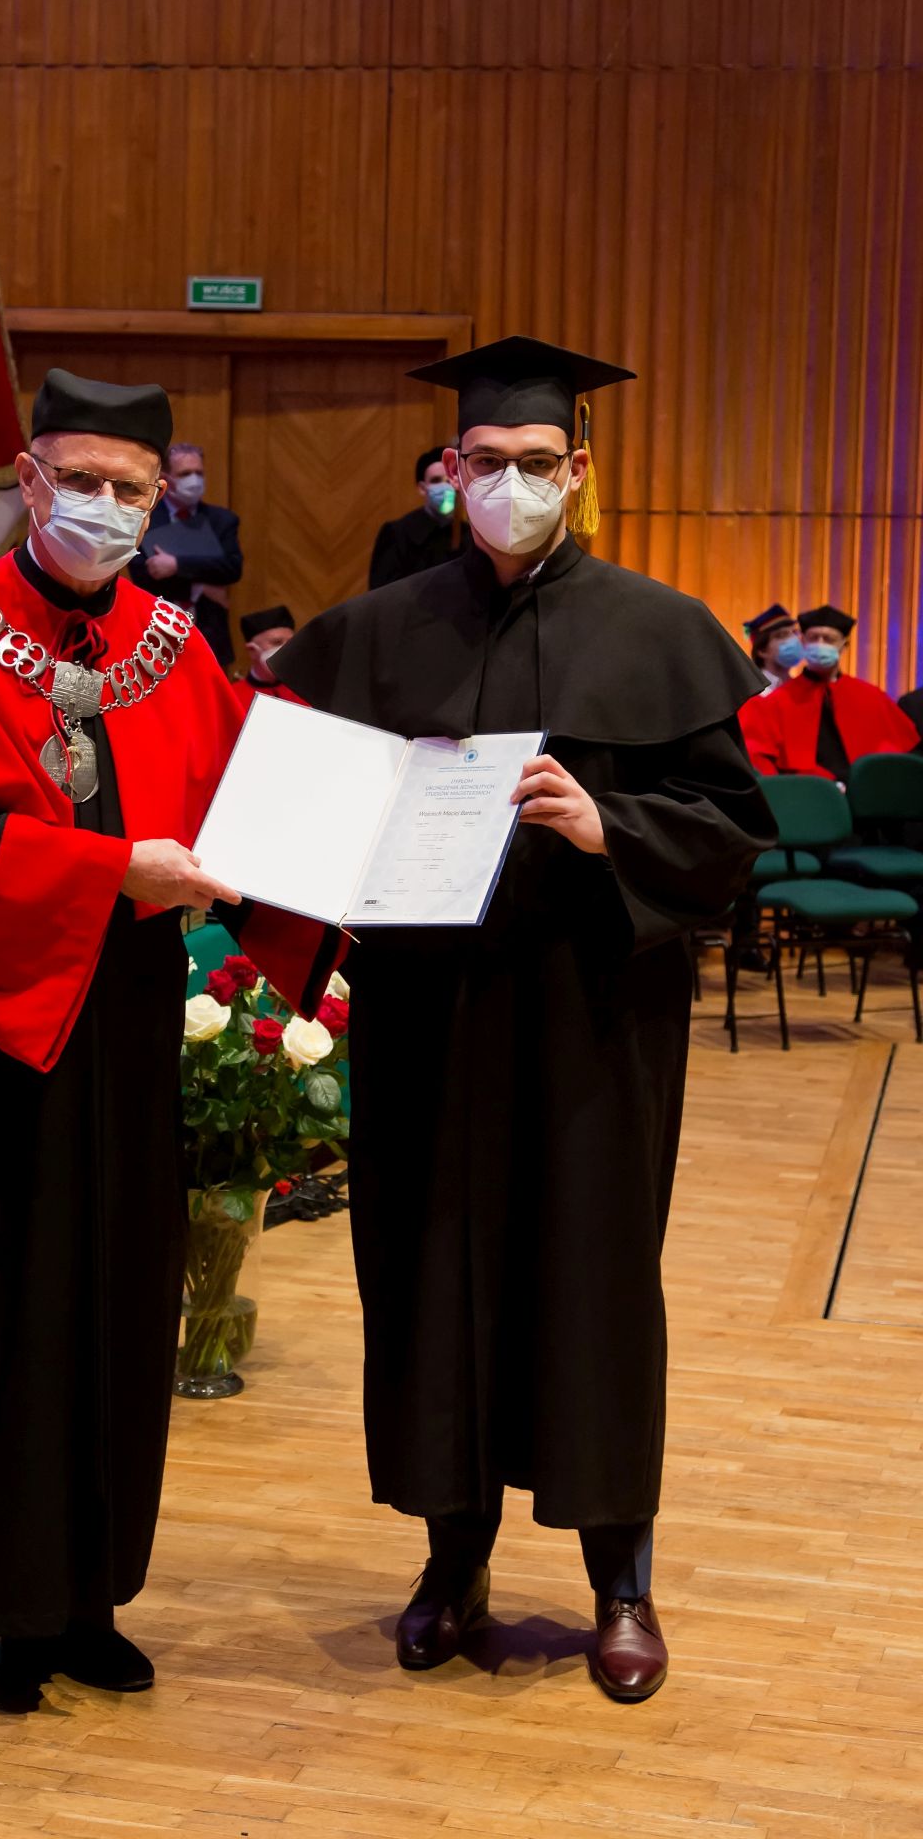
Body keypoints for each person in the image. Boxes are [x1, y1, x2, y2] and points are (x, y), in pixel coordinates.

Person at [0, 369, 336, 1744]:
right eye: (80, 481)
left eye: (130, 488)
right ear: (30, 481)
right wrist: (108, 875)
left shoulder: (174, 640)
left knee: (107, 1301)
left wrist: (362, 851)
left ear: (161, 499)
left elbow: (251, 804)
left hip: (116, 1031)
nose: (103, 506)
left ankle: (72, 1600)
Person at [271, 335, 774, 1703]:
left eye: (536, 463)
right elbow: (299, 815)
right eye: (486, 462)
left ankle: (622, 1581)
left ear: (581, 469)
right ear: (451, 469)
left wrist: (610, 825)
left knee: (592, 1278)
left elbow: (732, 829)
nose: (509, 485)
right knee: (429, 1274)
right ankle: (452, 1562)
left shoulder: (660, 631)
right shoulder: (375, 631)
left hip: (591, 1012)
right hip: (426, 1014)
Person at [743, 605, 920, 781]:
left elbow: (900, 757)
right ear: (803, 642)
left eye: (828, 639)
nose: (820, 644)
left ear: (844, 645)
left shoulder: (871, 696)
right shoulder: (776, 701)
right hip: (808, 789)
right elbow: (759, 758)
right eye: (813, 638)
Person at [128, 441, 243, 667]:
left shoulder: (222, 520)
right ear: (166, 478)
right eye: (185, 473)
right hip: (156, 630)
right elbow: (143, 575)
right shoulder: (144, 518)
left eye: (199, 472)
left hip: (210, 631)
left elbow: (232, 568)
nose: (195, 479)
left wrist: (176, 565)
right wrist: (203, 585)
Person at [367, 446, 465, 591]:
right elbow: (382, 593)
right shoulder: (397, 534)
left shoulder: (468, 534)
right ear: (422, 488)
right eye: (436, 480)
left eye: (449, 480)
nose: (445, 487)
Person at [231, 606, 306, 712]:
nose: (287, 649)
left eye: (291, 642)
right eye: (277, 642)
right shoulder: (232, 697)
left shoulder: (308, 688)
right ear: (252, 650)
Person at [742, 603, 803, 690]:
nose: (793, 639)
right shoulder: (751, 690)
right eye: (782, 635)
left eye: (795, 632)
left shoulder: (800, 688)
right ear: (762, 650)